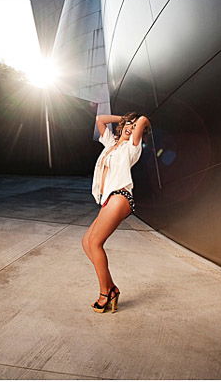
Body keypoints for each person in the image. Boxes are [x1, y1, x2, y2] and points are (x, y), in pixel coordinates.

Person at [81, 112, 150, 313]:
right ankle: (111, 287)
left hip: (120, 195)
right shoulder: (111, 143)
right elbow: (100, 119)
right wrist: (123, 119)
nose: (131, 126)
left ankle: (105, 292)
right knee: (86, 242)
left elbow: (145, 119)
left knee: (95, 243)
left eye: (134, 125)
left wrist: (136, 123)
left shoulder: (132, 147)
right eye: (129, 123)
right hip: (107, 199)